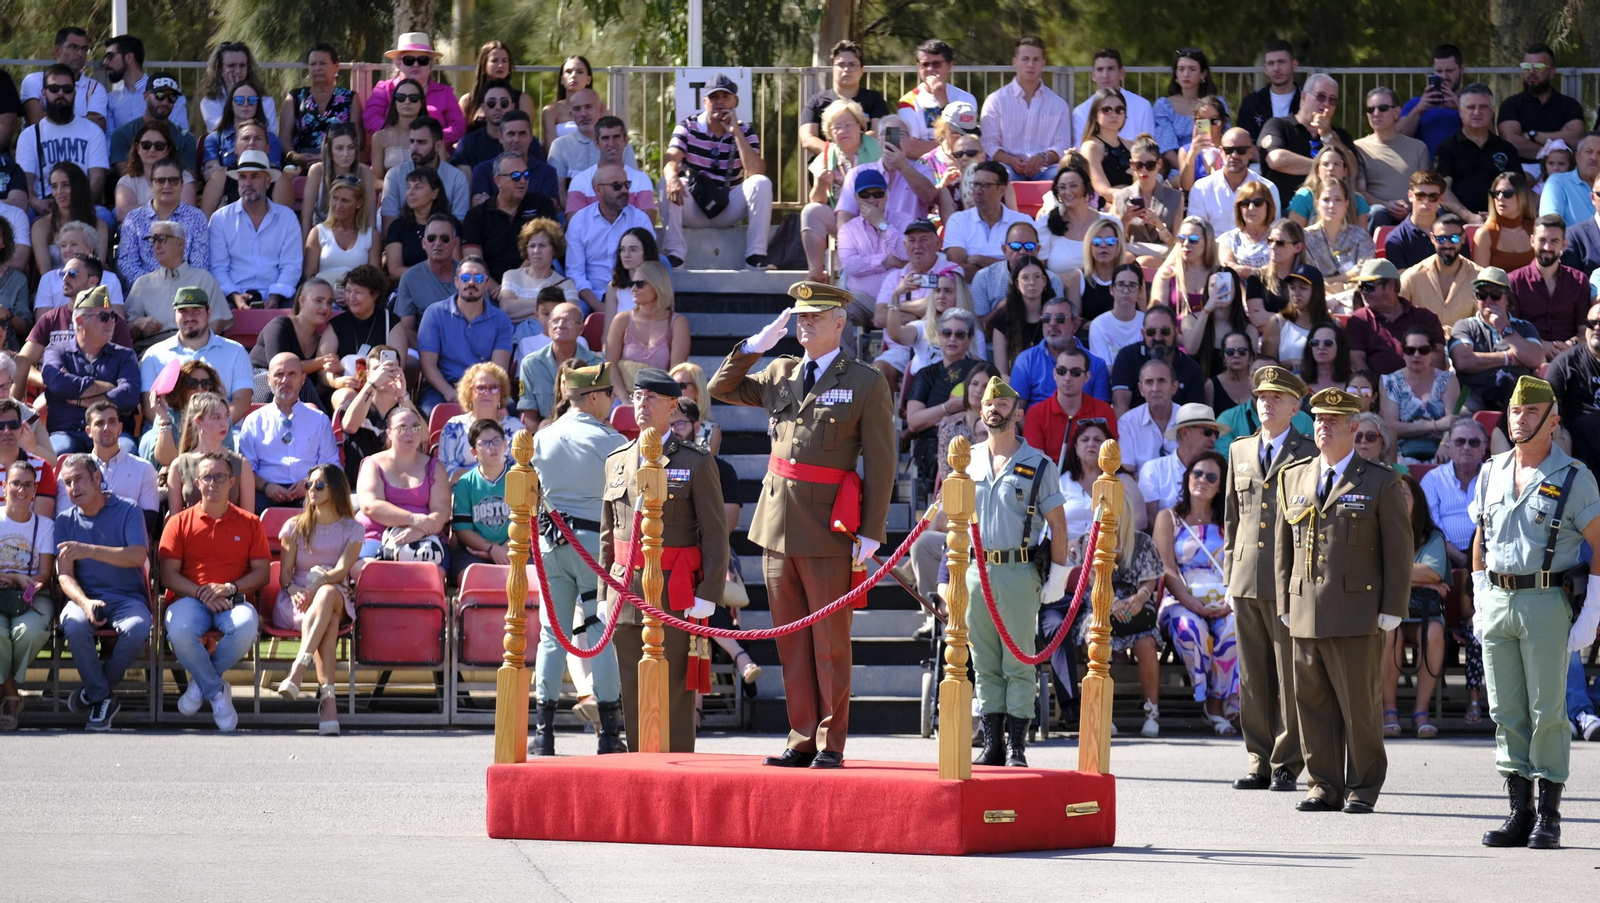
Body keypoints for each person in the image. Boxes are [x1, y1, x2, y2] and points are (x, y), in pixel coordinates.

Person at [710, 282, 894, 768]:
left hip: (828, 526)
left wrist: (872, 529)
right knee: (790, 640)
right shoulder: (779, 371)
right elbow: (720, 389)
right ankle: (802, 736)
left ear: (840, 323)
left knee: (830, 643)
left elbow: (880, 460)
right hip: (775, 526)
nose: (804, 323)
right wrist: (753, 348)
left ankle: (832, 742)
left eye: (816, 316)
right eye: (800, 316)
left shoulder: (865, 381)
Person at [1472, 376, 1600, 849]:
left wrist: (1592, 612)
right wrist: (1478, 591)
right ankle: (1518, 811)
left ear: (1553, 421)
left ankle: (1549, 813)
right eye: (1514, 412)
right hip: (1499, 599)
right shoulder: (1491, 471)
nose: (1519, 420)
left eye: (1529, 412)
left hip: (1547, 599)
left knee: (1548, 709)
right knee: (1505, 709)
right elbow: (1481, 535)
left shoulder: (1573, 475)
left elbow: (1598, 545)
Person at [1275, 387, 1410, 814]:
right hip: (1304, 608)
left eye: (1333, 421)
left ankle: (1364, 786)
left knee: (1359, 706)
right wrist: (1284, 597)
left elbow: (1398, 550)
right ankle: (1323, 784)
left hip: (1355, 611)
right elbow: (1284, 547)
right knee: (1311, 704)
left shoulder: (1380, 479)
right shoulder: (1293, 475)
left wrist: (1393, 607)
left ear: (1355, 428)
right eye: (1317, 419)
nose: (1322, 427)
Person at [602, 367, 729, 752]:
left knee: (673, 689)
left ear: (674, 406)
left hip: (675, 587)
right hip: (625, 586)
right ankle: (639, 769)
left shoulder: (696, 461)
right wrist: (601, 591)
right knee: (632, 685)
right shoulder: (617, 460)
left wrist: (708, 592)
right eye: (638, 396)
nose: (642, 404)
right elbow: (609, 533)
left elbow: (714, 533)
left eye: (652, 398)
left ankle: (676, 777)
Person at [951, 375, 1066, 768]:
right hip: (976, 570)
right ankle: (993, 744)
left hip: (1018, 570)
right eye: (987, 405)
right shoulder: (967, 459)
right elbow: (950, 519)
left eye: (1001, 406)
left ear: (1017, 413)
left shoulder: (1038, 463)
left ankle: (1017, 747)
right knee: (983, 662)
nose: (993, 410)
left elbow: (1059, 525)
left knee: (1018, 661)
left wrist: (1058, 578)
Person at [528, 362, 627, 755]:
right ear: (592, 396)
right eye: (607, 394)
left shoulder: (540, 438)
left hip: (552, 544)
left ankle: (543, 733)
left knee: (552, 635)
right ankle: (608, 733)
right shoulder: (612, 441)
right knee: (600, 633)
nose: (612, 400)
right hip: (594, 546)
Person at [1224, 365, 1312, 789]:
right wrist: (1229, 572)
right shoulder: (1239, 451)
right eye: (1261, 396)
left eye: (1276, 397)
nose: (1266, 403)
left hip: (1287, 579)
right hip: (1245, 576)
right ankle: (1257, 758)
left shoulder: (1308, 453)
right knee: (1252, 676)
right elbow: (1231, 519)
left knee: (1287, 674)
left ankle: (1286, 761)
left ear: (1295, 406)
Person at [158, 451, 267, 732]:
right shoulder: (178, 522)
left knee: (246, 625)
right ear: (197, 482)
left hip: (233, 598)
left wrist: (230, 588)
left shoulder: (251, 523)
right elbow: (168, 575)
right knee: (179, 630)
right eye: (207, 476)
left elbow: (262, 573)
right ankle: (217, 692)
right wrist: (201, 593)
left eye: (220, 476)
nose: (213, 482)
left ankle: (201, 684)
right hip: (189, 598)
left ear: (232, 481)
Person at [54, 453, 150, 731]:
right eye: (68, 483)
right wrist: (84, 603)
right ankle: (101, 696)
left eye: (79, 480)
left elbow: (136, 556)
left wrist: (89, 550)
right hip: (85, 596)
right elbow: (65, 575)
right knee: (72, 623)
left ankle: (95, 691)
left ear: (97, 478)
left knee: (137, 629)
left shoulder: (129, 509)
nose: (74, 488)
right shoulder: (64, 520)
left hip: (128, 598)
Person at [266, 463, 359, 737]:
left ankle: (298, 668)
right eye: (309, 485)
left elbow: (341, 571)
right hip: (298, 600)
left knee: (329, 594)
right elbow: (284, 575)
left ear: (336, 489)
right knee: (327, 621)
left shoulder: (352, 529)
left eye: (319, 485)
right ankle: (328, 701)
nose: (311, 490)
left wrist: (320, 580)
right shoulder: (294, 527)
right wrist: (294, 589)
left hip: (335, 592)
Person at [1153, 449, 1239, 733]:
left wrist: (1228, 602)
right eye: (1197, 473)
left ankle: (1217, 704)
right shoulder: (1169, 518)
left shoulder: (1230, 522)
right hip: (1180, 599)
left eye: (1211, 476)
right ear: (1187, 477)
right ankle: (1205, 698)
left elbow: (1240, 565)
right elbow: (1167, 569)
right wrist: (1193, 604)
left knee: (1235, 629)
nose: (1202, 479)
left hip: (1226, 599)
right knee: (1191, 628)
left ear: (1220, 485)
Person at [661, 75, 774, 269]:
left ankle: (755, 257)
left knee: (761, 183)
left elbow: (756, 171)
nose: (720, 102)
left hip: (727, 206)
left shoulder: (745, 131)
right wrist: (672, 177)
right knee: (665, 182)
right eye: (714, 97)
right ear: (705, 102)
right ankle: (675, 255)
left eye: (725, 97)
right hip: (694, 207)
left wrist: (736, 132)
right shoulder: (688, 126)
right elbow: (670, 159)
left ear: (734, 102)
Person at [1377, 473, 1450, 739]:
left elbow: (1434, 572)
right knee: (1388, 634)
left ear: (1417, 501)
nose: (1398, 499)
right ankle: (1389, 711)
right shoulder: (1376, 531)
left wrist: (1391, 573)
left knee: (1433, 634)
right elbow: (1370, 570)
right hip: (1389, 611)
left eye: (1404, 494)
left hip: (1424, 614)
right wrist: (1421, 579)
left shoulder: (1432, 537)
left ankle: (1421, 713)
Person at [138, 284, 253, 435]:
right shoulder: (154, 354)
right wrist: (180, 432)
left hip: (223, 430)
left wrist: (213, 427)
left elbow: (242, 400)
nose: (189, 317)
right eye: (183, 311)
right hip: (167, 429)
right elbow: (148, 404)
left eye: (196, 311)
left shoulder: (236, 351)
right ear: (175, 314)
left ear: (209, 313)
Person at [41, 287, 139, 455]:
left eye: (113, 316)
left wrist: (79, 399)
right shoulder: (56, 350)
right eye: (104, 317)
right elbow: (57, 382)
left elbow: (129, 395)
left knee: (127, 451)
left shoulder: (124, 355)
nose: (111, 322)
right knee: (60, 451)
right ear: (80, 321)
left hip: (114, 432)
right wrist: (105, 387)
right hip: (67, 432)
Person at [239, 354, 339, 513]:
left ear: (303, 379)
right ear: (268, 380)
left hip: (311, 491)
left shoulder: (319, 420)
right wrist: (267, 487)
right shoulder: (254, 420)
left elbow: (332, 465)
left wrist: (310, 482)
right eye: (279, 374)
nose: (285, 380)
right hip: (265, 493)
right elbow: (245, 468)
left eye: (292, 374)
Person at [417, 257, 513, 415]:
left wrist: (480, 391)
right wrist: (449, 392)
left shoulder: (501, 319)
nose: (471, 283)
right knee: (429, 412)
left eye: (479, 278)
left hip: (485, 386)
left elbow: (498, 369)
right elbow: (428, 365)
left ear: (487, 283)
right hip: (443, 387)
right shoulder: (434, 313)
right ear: (456, 282)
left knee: (511, 409)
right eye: (466, 278)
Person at [902, 308, 981, 496]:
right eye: (947, 333)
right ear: (939, 336)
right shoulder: (926, 375)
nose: (952, 339)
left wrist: (964, 414)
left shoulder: (981, 371)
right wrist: (949, 407)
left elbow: (995, 410)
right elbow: (913, 422)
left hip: (978, 440)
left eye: (960, 334)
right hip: (933, 444)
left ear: (969, 339)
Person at [0, 459, 54, 731]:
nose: (21, 490)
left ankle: (4, 686)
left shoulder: (44, 526)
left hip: (31, 594)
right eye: (16, 483)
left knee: (29, 630)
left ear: (35, 491)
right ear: (4, 485)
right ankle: (10, 695)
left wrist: (27, 584)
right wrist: (12, 578)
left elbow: (45, 574)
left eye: (28, 485)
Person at [208, 150, 300, 310]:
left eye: (254, 176)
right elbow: (218, 268)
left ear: (268, 181)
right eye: (243, 177)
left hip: (280, 297)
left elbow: (291, 265)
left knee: (300, 308)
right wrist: (235, 296)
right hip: (231, 297)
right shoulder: (220, 219)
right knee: (215, 310)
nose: (247, 183)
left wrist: (276, 295)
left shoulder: (287, 218)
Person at [1449, 266, 1543, 413]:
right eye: (1481, 294)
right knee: (1460, 422)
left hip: (1518, 396)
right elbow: (1463, 361)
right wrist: (1509, 358)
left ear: (1508, 299)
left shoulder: (1525, 327)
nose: (1488, 300)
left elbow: (1536, 359)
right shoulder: (1464, 326)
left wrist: (1505, 328)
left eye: (1495, 295)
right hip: (1474, 395)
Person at [124, 222, 226, 353]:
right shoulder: (142, 283)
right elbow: (125, 331)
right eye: (152, 241)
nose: (156, 246)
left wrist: (198, 348)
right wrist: (138, 323)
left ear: (180, 243)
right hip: (154, 351)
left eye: (161, 239)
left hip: (196, 348)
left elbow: (217, 322)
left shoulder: (203, 278)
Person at [980, 37, 1070, 184]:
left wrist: (1043, 158)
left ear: (1043, 63)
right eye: (1025, 59)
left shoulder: (1058, 104)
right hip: (1008, 167)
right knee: (1001, 177)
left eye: (1036, 59)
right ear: (1015, 62)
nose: (1030, 65)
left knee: (1064, 178)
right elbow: (989, 143)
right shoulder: (995, 101)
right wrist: (1011, 160)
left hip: (1045, 169)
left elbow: (1063, 144)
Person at [567, 163, 654, 315]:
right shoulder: (579, 221)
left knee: (663, 264)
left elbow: (650, 264)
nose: (625, 190)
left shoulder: (640, 219)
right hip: (593, 296)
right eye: (617, 186)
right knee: (575, 311)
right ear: (598, 190)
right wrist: (598, 306)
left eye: (627, 185)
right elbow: (575, 273)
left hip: (633, 292)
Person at [17, 65, 108, 204]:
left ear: (75, 93)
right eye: (54, 89)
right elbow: (25, 179)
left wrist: (77, 207)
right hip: (43, 205)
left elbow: (97, 180)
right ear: (44, 93)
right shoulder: (29, 135)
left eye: (67, 89)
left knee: (104, 216)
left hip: (82, 204)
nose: (60, 94)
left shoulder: (93, 131)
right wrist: (36, 203)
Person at [1258, 72, 1354, 203]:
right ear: (1303, 97)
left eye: (1332, 99)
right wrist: (1325, 168)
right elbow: (1276, 159)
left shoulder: (1340, 135)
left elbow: (1352, 169)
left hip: (1331, 210)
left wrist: (1328, 135)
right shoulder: (1278, 125)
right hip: (1284, 209)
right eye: (1320, 96)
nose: (1326, 103)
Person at [462, 153, 556, 282]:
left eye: (526, 175)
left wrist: (512, 283)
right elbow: (473, 261)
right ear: (498, 181)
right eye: (515, 176)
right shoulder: (477, 215)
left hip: (536, 280)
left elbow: (545, 249)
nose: (523, 181)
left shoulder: (542, 205)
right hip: (489, 287)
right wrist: (494, 288)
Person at [1345, 259, 1446, 375]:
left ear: (1391, 285)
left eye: (1369, 286)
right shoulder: (1358, 321)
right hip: (1377, 391)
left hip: (1423, 390)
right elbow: (1357, 364)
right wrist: (1378, 390)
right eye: (1360, 287)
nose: (1363, 292)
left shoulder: (1426, 318)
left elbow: (1438, 360)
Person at [360, 33, 464, 146]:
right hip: (390, 154)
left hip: (435, 156)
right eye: (409, 60)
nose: (415, 65)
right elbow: (370, 120)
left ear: (431, 64)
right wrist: (401, 136)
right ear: (398, 63)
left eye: (423, 60)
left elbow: (458, 127)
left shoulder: (445, 92)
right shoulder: (384, 89)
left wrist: (428, 138)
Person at [118, 158, 208, 287]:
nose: (166, 186)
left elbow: (200, 264)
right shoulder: (134, 219)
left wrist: (176, 287)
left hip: (186, 293)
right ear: (151, 185)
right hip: (145, 291)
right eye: (160, 181)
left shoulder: (196, 218)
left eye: (173, 180)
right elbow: (126, 263)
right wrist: (155, 286)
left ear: (182, 185)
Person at [1508, 213, 1588, 358]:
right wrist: (1540, 344)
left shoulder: (1579, 281)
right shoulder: (1515, 281)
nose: (1547, 247)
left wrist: (1571, 344)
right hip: (1528, 357)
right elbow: (1510, 328)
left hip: (1571, 357)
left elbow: (1584, 330)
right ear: (1532, 241)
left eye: (1554, 241)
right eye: (1542, 240)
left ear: (1564, 244)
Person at [247, 280, 337, 406]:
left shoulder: (320, 341)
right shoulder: (279, 325)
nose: (325, 307)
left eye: (329, 302)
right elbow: (280, 368)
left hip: (293, 391)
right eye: (318, 300)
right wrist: (322, 362)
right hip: (258, 382)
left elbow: (316, 388)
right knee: (296, 382)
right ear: (302, 301)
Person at [1437, 84, 1520, 220]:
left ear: (1492, 111)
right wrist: (1469, 216)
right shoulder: (1447, 147)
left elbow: (1518, 191)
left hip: (1502, 220)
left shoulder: (1506, 149)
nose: (1477, 112)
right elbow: (1443, 192)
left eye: (1483, 107)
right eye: (1470, 107)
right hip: (1456, 223)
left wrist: (1497, 215)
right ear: (1460, 111)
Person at [1499, 43, 1587, 171]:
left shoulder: (1570, 105)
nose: (1531, 72)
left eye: (1539, 67)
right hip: (1522, 170)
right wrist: (1555, 151)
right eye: (1526, 66)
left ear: (1551, 72)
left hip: (1561, 169)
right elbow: (1512, 143)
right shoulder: (1511, 105)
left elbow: (1574, 139)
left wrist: (1532, 135)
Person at [516, 302, 602, 431]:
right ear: (548, 327)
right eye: (555, 321)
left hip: (585, 432)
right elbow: (529, 416)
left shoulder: (596, 363)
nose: (560, 325)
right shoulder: (530, 364)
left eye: (568, 321)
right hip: (546, 434)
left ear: (581, 329)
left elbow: (600, 413)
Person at [1379, 325, 1460, 460]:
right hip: (1401, 452)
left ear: (1433, 353)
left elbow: (1451, 423)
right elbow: (1391, 427)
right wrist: (1436, 425)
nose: (1416, 355)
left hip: (1441, 449)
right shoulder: (1390, 382)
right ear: (1403, 353)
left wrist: (1444, 444)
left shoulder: (1448, 380)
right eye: (1410, 350)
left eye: (1423, 350)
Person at [943, 161, 1034, 281]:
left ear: (1001, 190)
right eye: (975, 184)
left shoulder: (1023, 222)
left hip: (1012, 294)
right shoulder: (958, 220)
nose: (978, 191)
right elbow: (957, 271)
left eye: (985, 185)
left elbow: (1027, 269)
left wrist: (981, 260)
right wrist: (1005, 266)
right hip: (970, 295)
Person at [800, 40, 889, 161]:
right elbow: (807, 138)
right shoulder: (817, 101)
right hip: (827, 166)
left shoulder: (874, 99)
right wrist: (834, 153)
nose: (846, 69)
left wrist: (854, 150)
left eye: (852, 65)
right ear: (832, 69)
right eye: (841, 64)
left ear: (862, 70)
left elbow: (879, 131)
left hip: (867, 163)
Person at [1010, 296, 1107, 407]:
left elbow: (1101, 414)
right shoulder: (1025, 360)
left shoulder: (1097, 365)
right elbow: (1016, 412)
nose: (1052, 324)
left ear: (1075, 325)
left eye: (1060, 319)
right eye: (1047, 318)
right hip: (1035, 423)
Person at [167, 391, 253, 514]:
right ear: (198, 422)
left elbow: (249, 519)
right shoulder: (179, 465)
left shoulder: (241, 464)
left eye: (226, 416)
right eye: (216, 417)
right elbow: (175, 519)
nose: (224, 423)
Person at [448, 416, 512, 581]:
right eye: (484, 443)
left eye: (497, 441)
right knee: (472, 579)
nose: (492, 447)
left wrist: (505, 550)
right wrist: (491, 549)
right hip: (474, 552)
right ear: (474, 452)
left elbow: (527, 524)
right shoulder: (465, 483)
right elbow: (462, 530)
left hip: (515, 548)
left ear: (505, 444)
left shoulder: (519, 478)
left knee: (532, 579)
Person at [1356, 88, 1432, 229]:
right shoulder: (1358, 148)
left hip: (1414, 212)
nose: (1376, 114)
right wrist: (1386, 205)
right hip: (1378, 214)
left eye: (1383, 108)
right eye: (1370, 109)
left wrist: (1410, 207)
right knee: (1377, 212)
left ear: (1397, 112)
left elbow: (1427, 188)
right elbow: (1359, 191)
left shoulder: (1418, 147)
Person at [1110, 303, 1205, 413]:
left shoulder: (1192, 369)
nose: (1158, 337)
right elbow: (1120, 408)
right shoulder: (1127, 357)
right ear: (1143, 333)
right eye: (1151, 332)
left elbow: (1194, 418)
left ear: (1176, 332)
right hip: (1134, 428)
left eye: (1165, 331)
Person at [1189, 128, 1281, 238]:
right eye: (1229, 150)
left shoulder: (1268, 188)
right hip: (1213, 252)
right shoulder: (1201, 188)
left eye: (1241, 150)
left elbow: (1273, 232)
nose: (1234, 155)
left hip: (1255, 252)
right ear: (1221, 152)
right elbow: (1196, 232)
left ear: (1250, 152)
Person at [438, 362, 522, 481]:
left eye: (493, 388)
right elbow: (446, 469)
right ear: (469, 392)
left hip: (506, 494)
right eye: (480, 388)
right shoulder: (453, 427)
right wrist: (481, 482)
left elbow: (521, 469)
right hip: (464, 493)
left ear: (501, 394)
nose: (487, 393)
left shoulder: (517, 428)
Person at [380, 117, 470, 228]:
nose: (414, 148)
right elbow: (389, 227)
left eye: (421, 142)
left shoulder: (457, 178)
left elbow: (459, 225)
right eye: (412, 142)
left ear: (438, 146)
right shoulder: (394, 175)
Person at [895, 39, 978, 159]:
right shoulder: (908, 102)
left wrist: (942, 100)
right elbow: (911, 149)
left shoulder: (966, 99)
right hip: (922, 165)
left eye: (936, 64)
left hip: (960, 163)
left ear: (949, 66)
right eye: (925, 65)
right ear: (919, 67)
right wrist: (951, 142)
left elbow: (968, 143)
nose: (930, 69)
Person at [1400, 212, 1481, 330]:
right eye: (1441, 239)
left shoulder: (1479, 277)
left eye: (1454, 238)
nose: (1447, 245)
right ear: (1432, 238)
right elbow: (1396, 315)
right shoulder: (1412, 276)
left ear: (1463, 239)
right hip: (1424, 345)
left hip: (1465, 345)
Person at [109, 70, 195, 177]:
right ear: (146, 96)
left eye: (172, 98)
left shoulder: (186, 138)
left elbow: (187, 180)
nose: (165, 102)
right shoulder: (123, 134)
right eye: (160, 95)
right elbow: (128, 177)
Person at [1154, 48, 1227, 174]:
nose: (1186, 74)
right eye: (1181, 69)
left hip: (1215, 165)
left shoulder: (1217, 103)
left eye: (1192, 69)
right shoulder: (1164, 106)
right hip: (1177, 169)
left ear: (1203, 74)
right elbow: (1167, 149)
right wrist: (1190, 170)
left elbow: (1223, 137)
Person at [1035, 164, 1113, 281]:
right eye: (1062, 187)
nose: (1068, 192)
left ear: (1085, 187)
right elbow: (1038, 271)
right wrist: (1065, 281)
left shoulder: (1109, 222)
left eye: (1073, 186)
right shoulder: (1045, 224)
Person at [562, 115, 650, 219]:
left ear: (625, 140)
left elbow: (646, 226)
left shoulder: (641, 180)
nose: (611, 143)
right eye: (605, 138)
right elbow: (575, 226)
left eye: (616, 137)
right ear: (596, 143)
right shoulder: (579, 181)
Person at [143, 359, 224, 469]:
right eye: (192, 384)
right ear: (181, 387)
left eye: (206, 384)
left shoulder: (222, 417)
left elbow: (224, 461)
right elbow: (166, 461)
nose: (200, 389)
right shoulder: (167, 416)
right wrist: (163, 417)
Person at [1548, 299, 1600, 471]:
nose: (1597, 328)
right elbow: (1546, 403)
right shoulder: (1566, 363)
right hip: (1580, 444)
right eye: (1592, 323)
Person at [1112, 135, 1181, 261]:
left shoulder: (1176, 197)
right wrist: (1125, 220)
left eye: (1150, 165)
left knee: (1142, 260)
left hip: (1164, 258)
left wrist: (1159, 225)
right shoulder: (1121, 197)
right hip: (1131, 256)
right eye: (1139, 165)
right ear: (1132, 165)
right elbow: (1114, 241)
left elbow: (1178, 244)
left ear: (1159, 164)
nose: (1144, 170)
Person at [202, 80, 285, 186]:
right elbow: (212, 174)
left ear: (258, 105)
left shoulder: (272, 140)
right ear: (231, 104)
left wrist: (225, 170)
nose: (246, 104)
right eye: (239, 100)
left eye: (252, 100)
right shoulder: (214, 139)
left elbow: (273, 174)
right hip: (224, 194)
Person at [83, 400, 157, 518]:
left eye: (112, 422)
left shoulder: (144, 468)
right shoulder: (75, 470)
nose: (106, 428)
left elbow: (149, 520)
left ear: (120, 428)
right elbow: (68, 519)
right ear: (89, 431)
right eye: (99, 423)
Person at [32, 163, 107, 278]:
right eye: (54, 186)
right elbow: (45, 273)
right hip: (54, 287)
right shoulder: (41, 226)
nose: (59, 191)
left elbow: (98, 267)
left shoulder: (99, 225)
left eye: (65, 185)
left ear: (78, 186)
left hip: (89, 285)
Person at [301, 124, 376, 235]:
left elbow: (371, 220)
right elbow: (306, 219)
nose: (345, 154)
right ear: (329, 150)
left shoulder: (364, 172)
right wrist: (305, 250)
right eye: (339, 148)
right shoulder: (317, 171)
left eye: (351, 147)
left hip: (356, 236)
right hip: (323, 237)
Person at [988, 255, 1056, 379]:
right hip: (1016, 386)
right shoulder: (1003, 320)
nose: (1031, 282)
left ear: (1044, 282)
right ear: (1017, 284)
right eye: (1025, 278)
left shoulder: (1056, 317)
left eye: (1037, 277)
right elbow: (1001, 373)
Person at [303, 176, 379, 287]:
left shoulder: (372, 236)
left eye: (345, 201)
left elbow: (374, 279)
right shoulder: (317, 233)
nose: (338, 205)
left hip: (357, 298)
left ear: (359, 203)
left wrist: (349, 294)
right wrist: (331, 294)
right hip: (324, 297)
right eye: (335, 198)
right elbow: (309, 276)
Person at [393, 213, 457, 342]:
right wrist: (429, 352)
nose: (437, 243)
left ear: (455, 243)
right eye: (431, 238)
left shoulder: (469, 275)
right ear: (424, 243)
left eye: (444, 238)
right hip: (424, 347)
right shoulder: (409, 278)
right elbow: (405, 329)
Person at [22, 28, 103, 129]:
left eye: (84, 49)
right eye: (73, 47)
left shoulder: (95, 88)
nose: (80, 53)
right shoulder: (34, 81)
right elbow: (36, 120)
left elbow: (97, 126)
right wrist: (84, 119)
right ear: (57, 51)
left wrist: (51, 118)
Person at [1072, 48, 1156, 143]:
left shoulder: (1142, 106)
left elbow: (1149, 147)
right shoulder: (1080, 112)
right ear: (1093, 75)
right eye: (1100, 69)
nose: (1105, 75)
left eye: (1111, 69)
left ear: (1122, 73)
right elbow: (1081, 150)